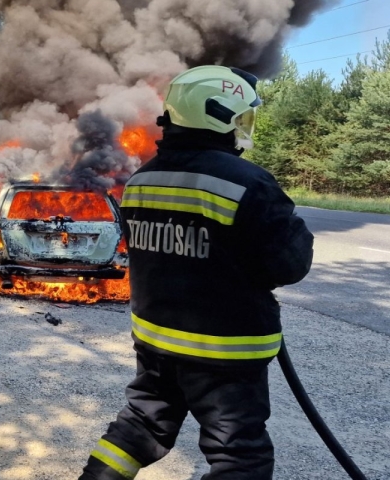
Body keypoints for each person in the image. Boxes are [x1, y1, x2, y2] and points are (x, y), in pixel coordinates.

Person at [79, 65, 315, 480]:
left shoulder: (141, 179)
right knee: (239, 456)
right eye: (242, 114)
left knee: (140, 425)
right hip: (224, 351)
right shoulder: (249, 183)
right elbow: (289, 265)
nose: (246, 124)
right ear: (220, 114)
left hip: (155, 342)